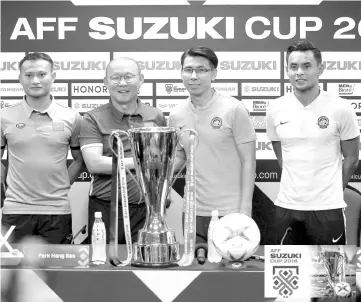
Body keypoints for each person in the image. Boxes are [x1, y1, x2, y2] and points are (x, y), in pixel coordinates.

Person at [266, 40, 359, 245]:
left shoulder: (340, 108)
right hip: (286, 207)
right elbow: (282, 156)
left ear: (320, 69)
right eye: (293, 66)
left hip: (328, 209)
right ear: (287, 70)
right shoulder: (275, 108)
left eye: (306, 66)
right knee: (285, 272)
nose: (299, 72)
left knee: (330, 274)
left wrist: (334, 189)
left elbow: (352, 158)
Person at [169, 46, 257, 243]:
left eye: (201, 70)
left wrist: (245, 210)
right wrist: (156, 175)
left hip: (230, 211)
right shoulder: (176, 115)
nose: (194, 76)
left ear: (214, 74)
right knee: (197, 267)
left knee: (228, 270)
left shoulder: (234, 109)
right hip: (192, 210)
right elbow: (181, 156)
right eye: (188, 69)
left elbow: (249, 162)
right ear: (181, 73)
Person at [79, 57, 166, 244]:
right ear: (105, 82)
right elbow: (95, 164)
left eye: (128, 77)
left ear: (141, 80)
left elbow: (161, 162)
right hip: (107, 209)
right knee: (106, 266)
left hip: (148, 209)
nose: (122, 83)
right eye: (116, 78)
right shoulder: (92, 118)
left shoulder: (156, 116)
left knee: (147, 265)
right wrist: (141, 162)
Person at [0, 52, 83, 244]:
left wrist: (62, 185)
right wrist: (7, 188)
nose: (35, 80)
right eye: (28, 75)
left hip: (57, 211)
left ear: (53, 77)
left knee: (58, 273)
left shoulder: (72, 117)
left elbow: (80, 160)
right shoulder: (4, 116)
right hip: (15, 210)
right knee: (14, 273)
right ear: (19, 78)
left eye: (42, 74)